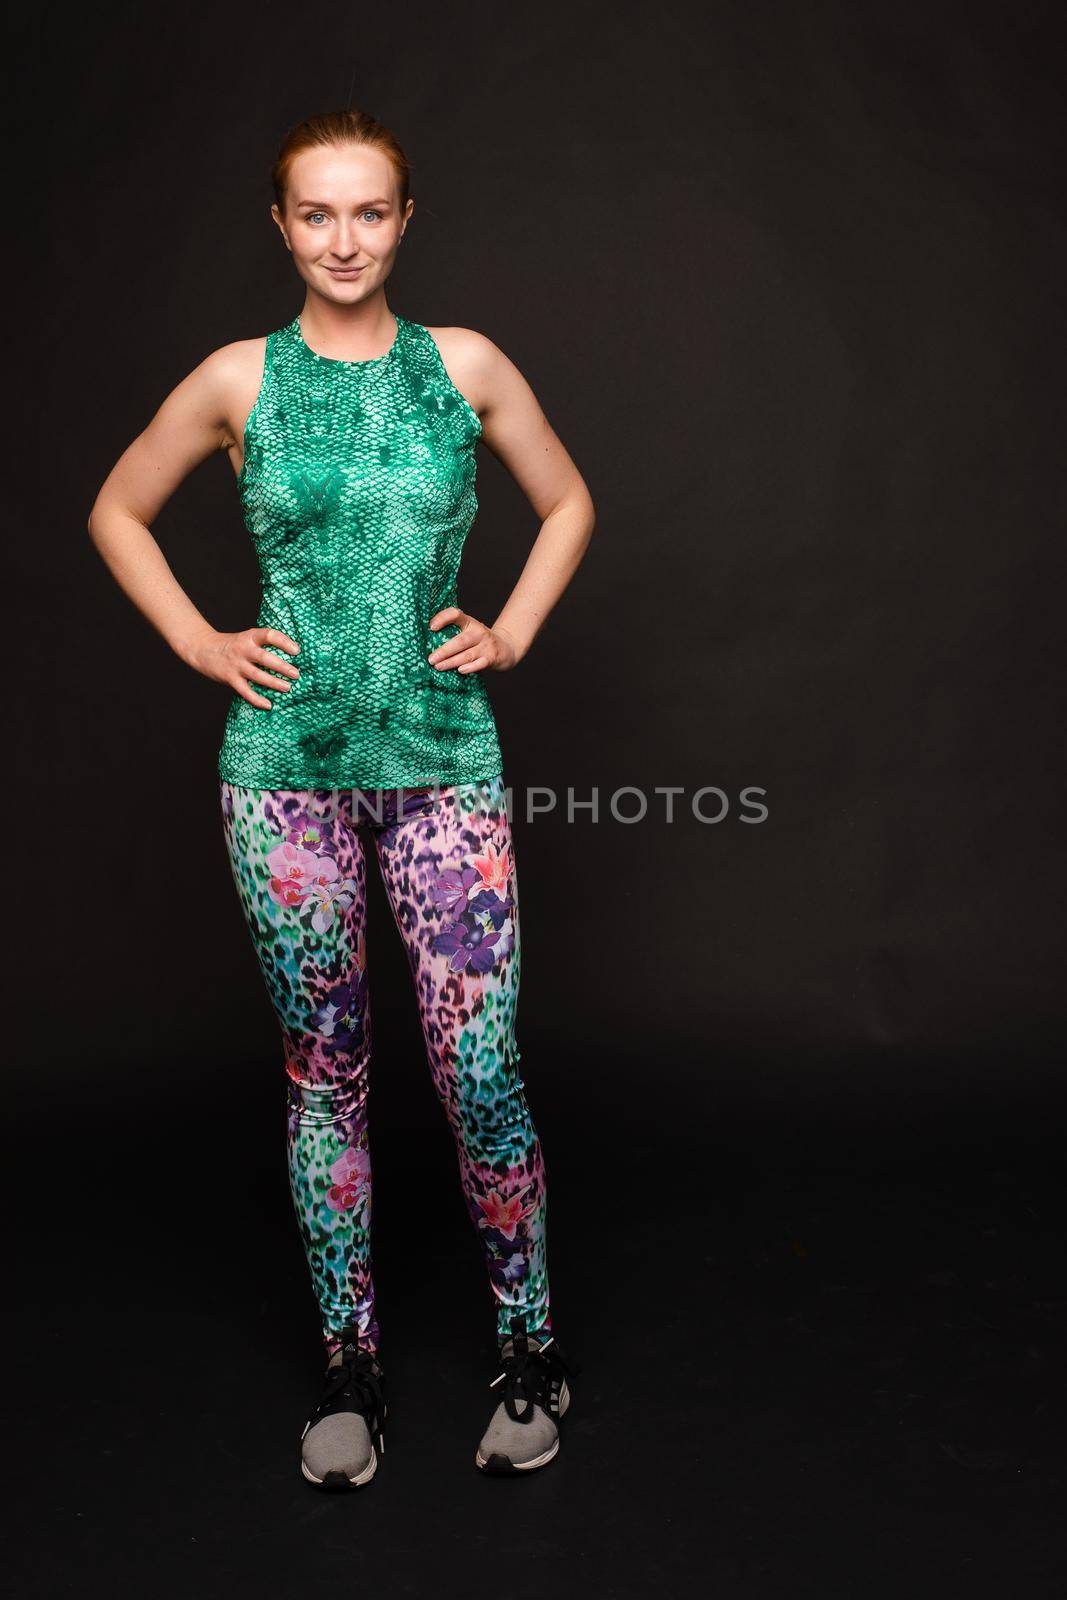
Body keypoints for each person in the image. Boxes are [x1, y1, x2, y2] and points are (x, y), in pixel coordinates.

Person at [87, 108, 595, 1487]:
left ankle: (528, 1348)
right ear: (281, 226)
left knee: (477, 1072)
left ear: (406, 220)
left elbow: (568, 504)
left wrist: (518, 628)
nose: (345, 239)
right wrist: (201, 642)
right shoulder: (234, 379)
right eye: (318, 214)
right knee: (328, 1077)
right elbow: (116, 507)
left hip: (444, 762)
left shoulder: (465, 367)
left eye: (369, 213)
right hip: (284, 780)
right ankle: (351, 1370)